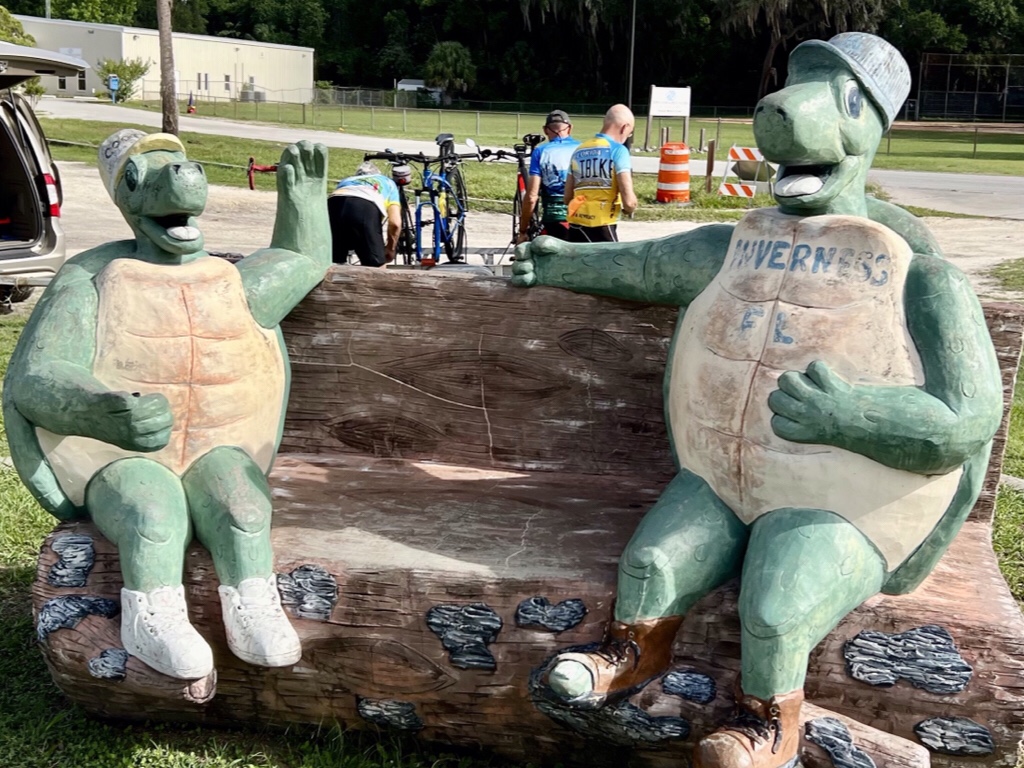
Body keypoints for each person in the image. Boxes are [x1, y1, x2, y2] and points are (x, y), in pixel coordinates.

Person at [564, 104, 638, 243]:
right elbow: (628, 201)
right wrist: (630, 208)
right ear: (624, 127)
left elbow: (567, 196)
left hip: (576, 224)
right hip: (602, 224)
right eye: (630, 133)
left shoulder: (579, 150)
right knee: (615, 257)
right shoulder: (618, 150)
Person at [517, 110, 580, 243]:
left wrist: (522, 231)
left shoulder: (541, 151)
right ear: (570, 128)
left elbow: (532, 197)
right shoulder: (582, 148)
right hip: (583, 217)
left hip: (553, 219)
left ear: (545, 130)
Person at [328, 161, 402, 267]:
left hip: (333, 205)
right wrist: (390, 248)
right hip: (363, 207)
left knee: (334, 263)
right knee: (376, 266)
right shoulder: (388, 182)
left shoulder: (346, 180)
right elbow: (395, 223)